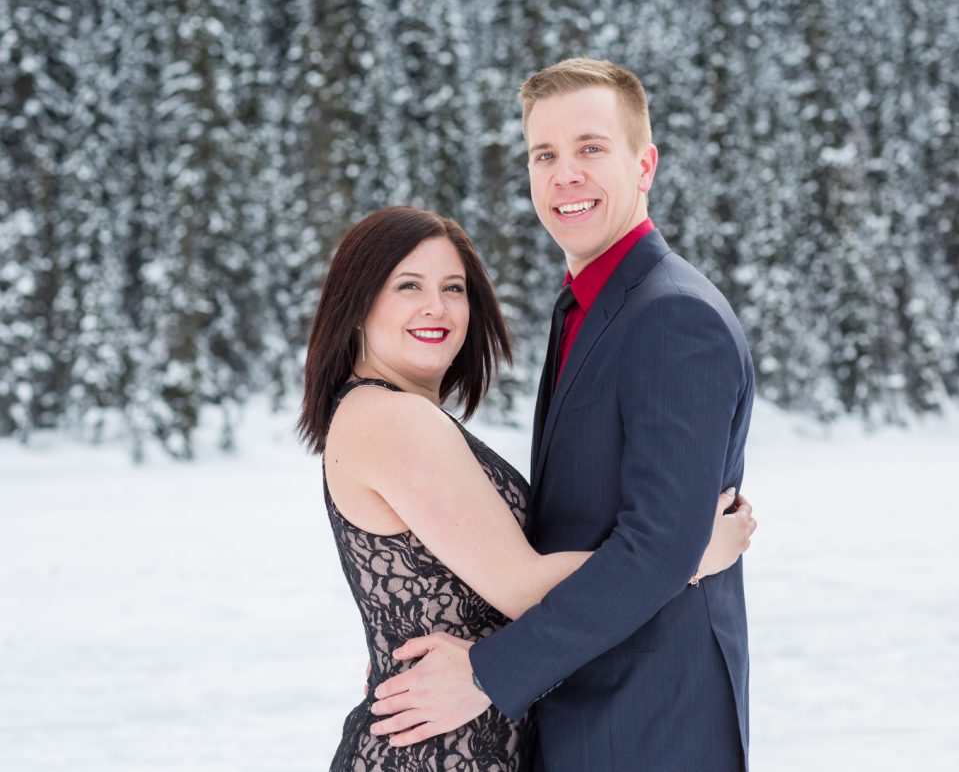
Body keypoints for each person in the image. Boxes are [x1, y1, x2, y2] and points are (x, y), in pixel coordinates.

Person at [369, 59, 758, 770]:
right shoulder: (594, 302)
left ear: (645, 166)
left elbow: (658, 547)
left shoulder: (672, 316)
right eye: (543, 154)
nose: (563, 174)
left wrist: (488, 674)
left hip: (650, 722)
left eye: (590, 149)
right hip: (591, 709)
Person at [298, 205, 756, 770]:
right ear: (358, 304)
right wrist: (684, 553)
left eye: (454, 288)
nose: (435, 308)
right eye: (408, 285)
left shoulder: (386, 413)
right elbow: (523, 588)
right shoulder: (392, 419)